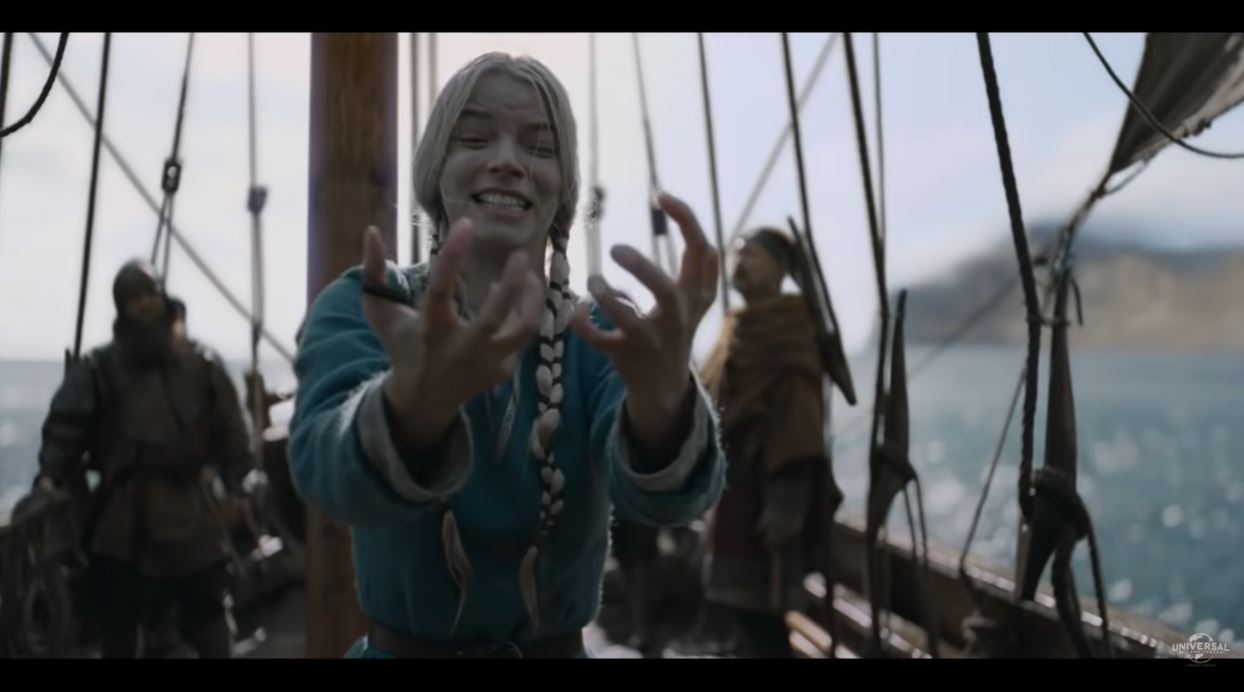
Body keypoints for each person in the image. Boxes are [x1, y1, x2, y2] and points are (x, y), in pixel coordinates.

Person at [289, 52, 726, 658]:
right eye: (474, 138)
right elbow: (324, 471)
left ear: (563, 191)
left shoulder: (599, 333)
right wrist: (408, 408)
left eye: (540, 148)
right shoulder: (368, 303)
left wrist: (665, 403)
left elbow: (669, 501)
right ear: (435, 170)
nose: (507, 161)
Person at [34, 260, 253, 658]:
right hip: (122, 524)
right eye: (135, 299)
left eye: (150, 295)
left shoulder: (203, 365)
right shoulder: (96, 369)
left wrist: (242, 482)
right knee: (119, 626)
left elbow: (234, 434)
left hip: (190, 513)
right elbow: (64, 432)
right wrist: (51, 477)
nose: (146, 305)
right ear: (122, 309)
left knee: (210, 619)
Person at [699, 228, 831, 658]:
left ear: (779, 268)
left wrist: (788, 503)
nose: (740, 261)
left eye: (751, 254)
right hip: (731, 484)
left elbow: (801, 417)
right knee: (739, 608)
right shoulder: (734, 325)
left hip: (771, 489)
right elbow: (708, 394)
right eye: (738, 253)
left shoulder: (791, 326)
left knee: (763, 612)